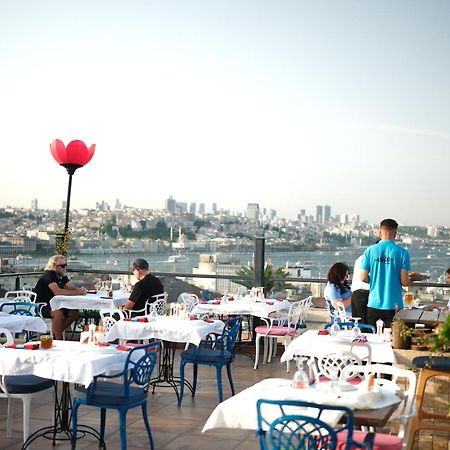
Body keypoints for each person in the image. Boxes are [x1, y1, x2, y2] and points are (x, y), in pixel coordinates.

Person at [360, 218, 410, 328]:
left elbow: (363, 277)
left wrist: (374, 280)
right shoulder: (402, 253)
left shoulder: (369, 251)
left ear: (379, 232)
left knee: (373, 338)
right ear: (395, 233)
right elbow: (405, 282)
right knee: (392, 339)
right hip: (394, 305)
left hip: (373, 303)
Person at [34, 254, 86, 340]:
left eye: (65, 265)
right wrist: (78, 292)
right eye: (61, 266)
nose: (64, 268)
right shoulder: (49, 275)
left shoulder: (61, 276)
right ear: (54, 266)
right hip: (40, 305)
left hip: (54, 304)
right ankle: (58, 339)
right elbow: (58, 292)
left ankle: (54, 335)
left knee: (74, 312)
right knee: (58, 312)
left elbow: (72, 288)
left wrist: (81, 290)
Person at [351, 254, 370, 324]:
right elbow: (364, 278)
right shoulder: (371, 258)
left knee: (357, 323)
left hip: (356, 293)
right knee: (365, 324)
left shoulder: (361, 258)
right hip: (365, 293)